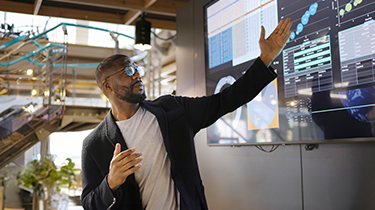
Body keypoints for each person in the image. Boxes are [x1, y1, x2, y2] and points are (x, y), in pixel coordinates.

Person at [80, 18, 292, 210]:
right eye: (127, 71)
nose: (137, 74)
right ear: (107, 86)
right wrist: (111, 182)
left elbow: (225, 101)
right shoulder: (94, 144)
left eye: (137, 68)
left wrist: (264, 59)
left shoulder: (172, 110)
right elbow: (89, 204)